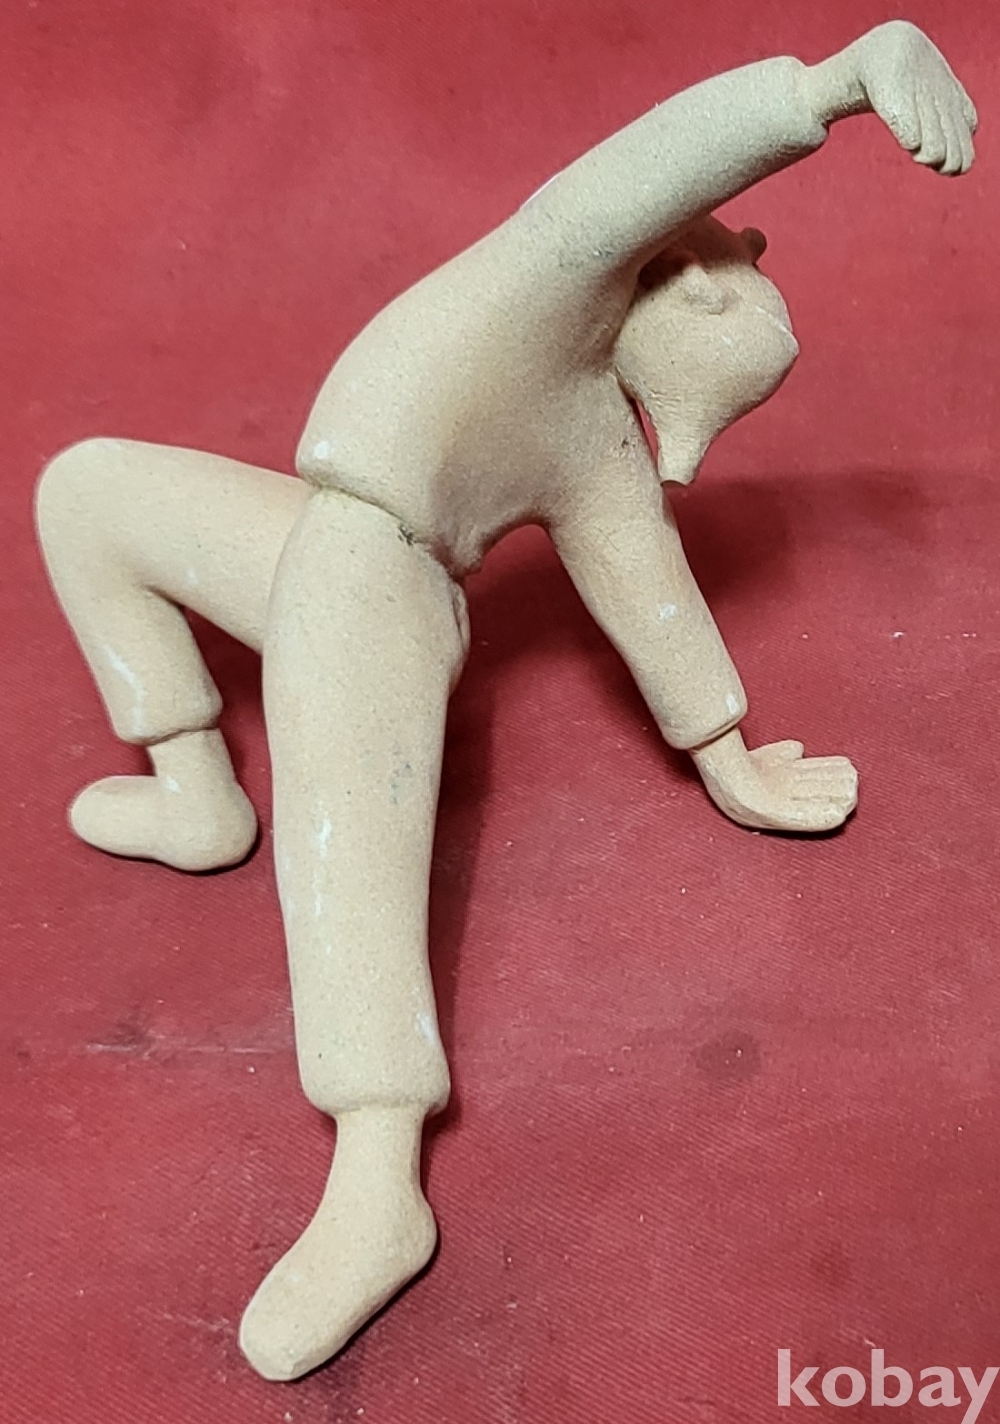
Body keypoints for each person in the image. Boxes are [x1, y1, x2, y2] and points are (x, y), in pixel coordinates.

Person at [36, 19, 975, 1380]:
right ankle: (193, 787)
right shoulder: (558, 271)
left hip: (380, 589)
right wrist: (835, 83)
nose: (679, 449)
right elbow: (645, 167)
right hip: (313, 536)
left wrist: (730, 753)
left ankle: (377, 1182)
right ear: (685, 275)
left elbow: (649, 588)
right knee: (88, 491)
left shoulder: (595, 434)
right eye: (693, 400)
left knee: (347, 840)